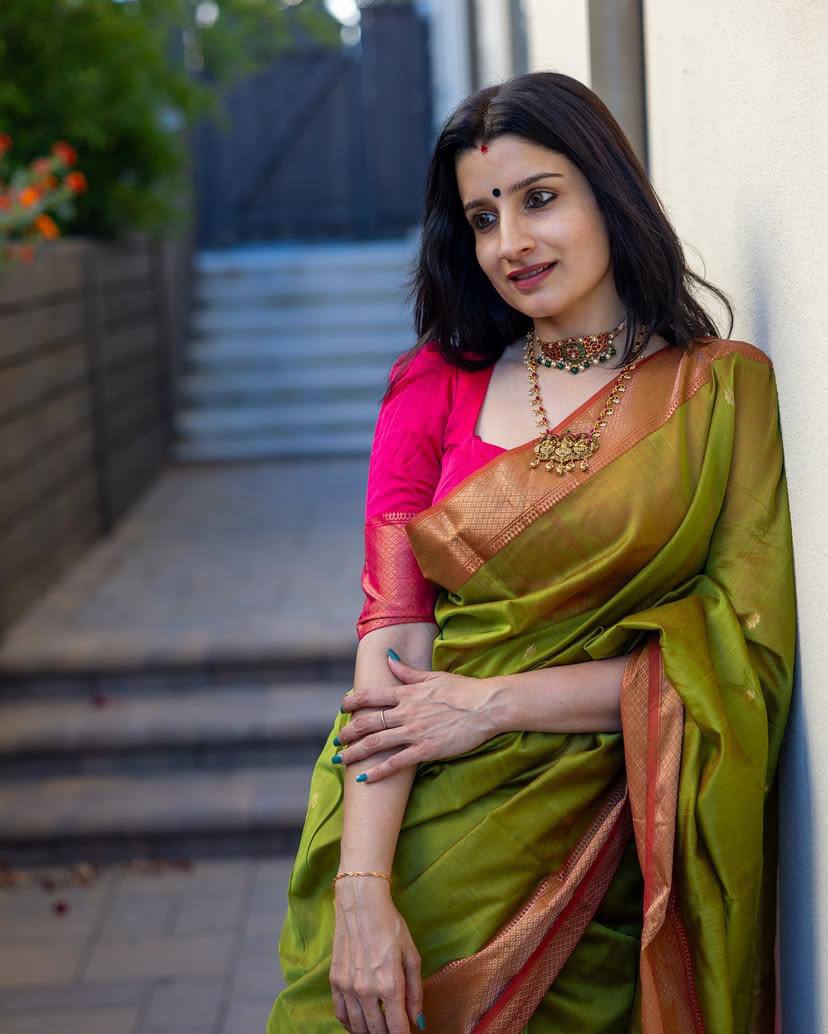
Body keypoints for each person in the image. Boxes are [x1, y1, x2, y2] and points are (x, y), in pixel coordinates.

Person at [265, 71, 796, 1034]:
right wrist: (363, 888)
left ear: (610, 191)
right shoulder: (432, 387)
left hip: (615, 864)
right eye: (483, 217)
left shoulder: (719, 396)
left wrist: (491, 704)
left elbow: (738, 661)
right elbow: (394, 639)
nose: (510, 242)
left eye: (539, 199)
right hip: (427, 844)